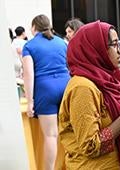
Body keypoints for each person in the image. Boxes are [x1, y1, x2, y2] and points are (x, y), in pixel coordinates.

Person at [58, 21, 120, 169]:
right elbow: (91, 146)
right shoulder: (83, 88)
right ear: (95, 49)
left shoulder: (111, 78)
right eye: (114, 45)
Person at [22, 14, 70, 170]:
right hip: (65, 86)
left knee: (51, 135)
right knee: (70, 133)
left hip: (45, 90)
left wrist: (30, 102)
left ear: (34, 28)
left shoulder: (29, 46)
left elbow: (28, 74)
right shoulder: (62, 42)